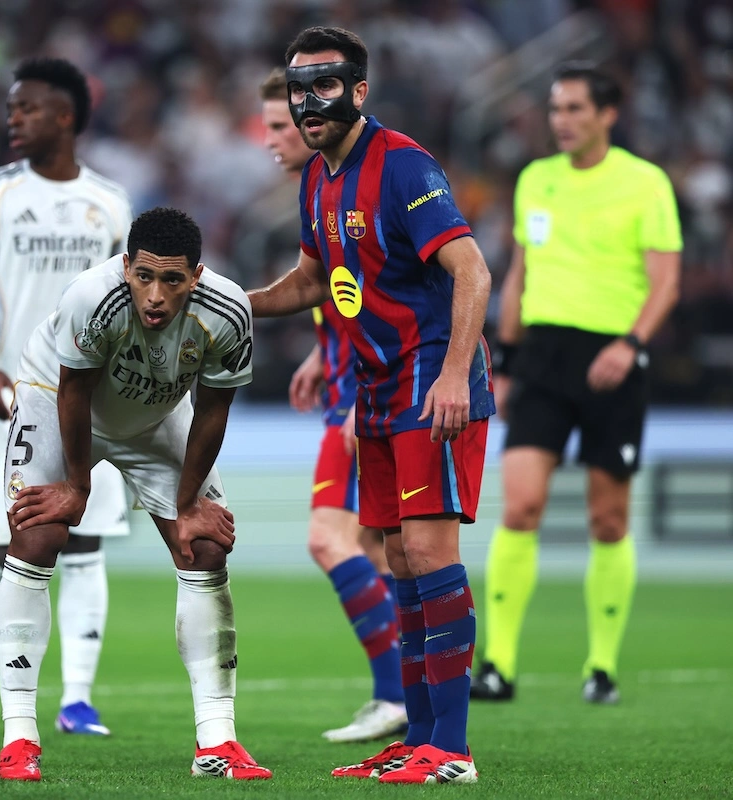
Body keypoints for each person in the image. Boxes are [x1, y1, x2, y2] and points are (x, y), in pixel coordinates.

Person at [249, 26, 495, 784]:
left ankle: (449, 752)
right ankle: (417, 735)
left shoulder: (401, 165)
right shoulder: (316, 177)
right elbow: (307, 283)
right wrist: (220, 299)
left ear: (358, 90)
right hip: (375, 388)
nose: (306, 101)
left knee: (428, 553)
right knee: (392, 554)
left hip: (429, 384)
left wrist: (453, 375)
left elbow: (472, 271)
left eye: (324, 84)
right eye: (298, 86)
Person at [0, 207, 271, 782]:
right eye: (144, 276)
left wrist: (190, 502)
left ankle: (217, 742)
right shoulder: (91, 298)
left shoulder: (229, 310)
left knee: (205, 549)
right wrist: (76, 487)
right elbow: (74, 392)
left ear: (197, 275)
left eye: (172, 280)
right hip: (57, 397)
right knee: (37, 536)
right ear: (126, 267)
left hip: (156, 416)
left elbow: (214, 409)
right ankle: (19, 736)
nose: (156, 295)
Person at [471, 63, 681, 705]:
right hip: (541, 355)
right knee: (521, 505)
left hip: (612, 357)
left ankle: (601, 667)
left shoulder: (645, 184)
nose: (560, 120)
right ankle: (498, 666)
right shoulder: (537, 180)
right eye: (556, 109)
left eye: (574, 109)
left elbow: (665, 281)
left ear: (607, 114)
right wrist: (503, 362)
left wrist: (630, 344)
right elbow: (518, 276)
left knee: (608, 519)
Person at [0, 57, 133, 736]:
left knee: (85, 542)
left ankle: (77, 700)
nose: (13, 119)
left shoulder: (111, 201)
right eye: (11, 109)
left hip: (90, 401)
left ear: (64, 115)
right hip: (14, 397)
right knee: (9, 548)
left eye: (26, 108)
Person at [260, 68, 406, 743]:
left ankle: (400, 689)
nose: (273, 139)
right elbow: (334, 289)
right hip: (349, 383)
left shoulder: (362, 179)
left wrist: (361, 384)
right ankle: (410, 686)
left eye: (280, 127)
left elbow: (377, 287)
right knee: (377, 551)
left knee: (329, 539)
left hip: (367, 396)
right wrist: (324, 352)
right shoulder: (317, 188)